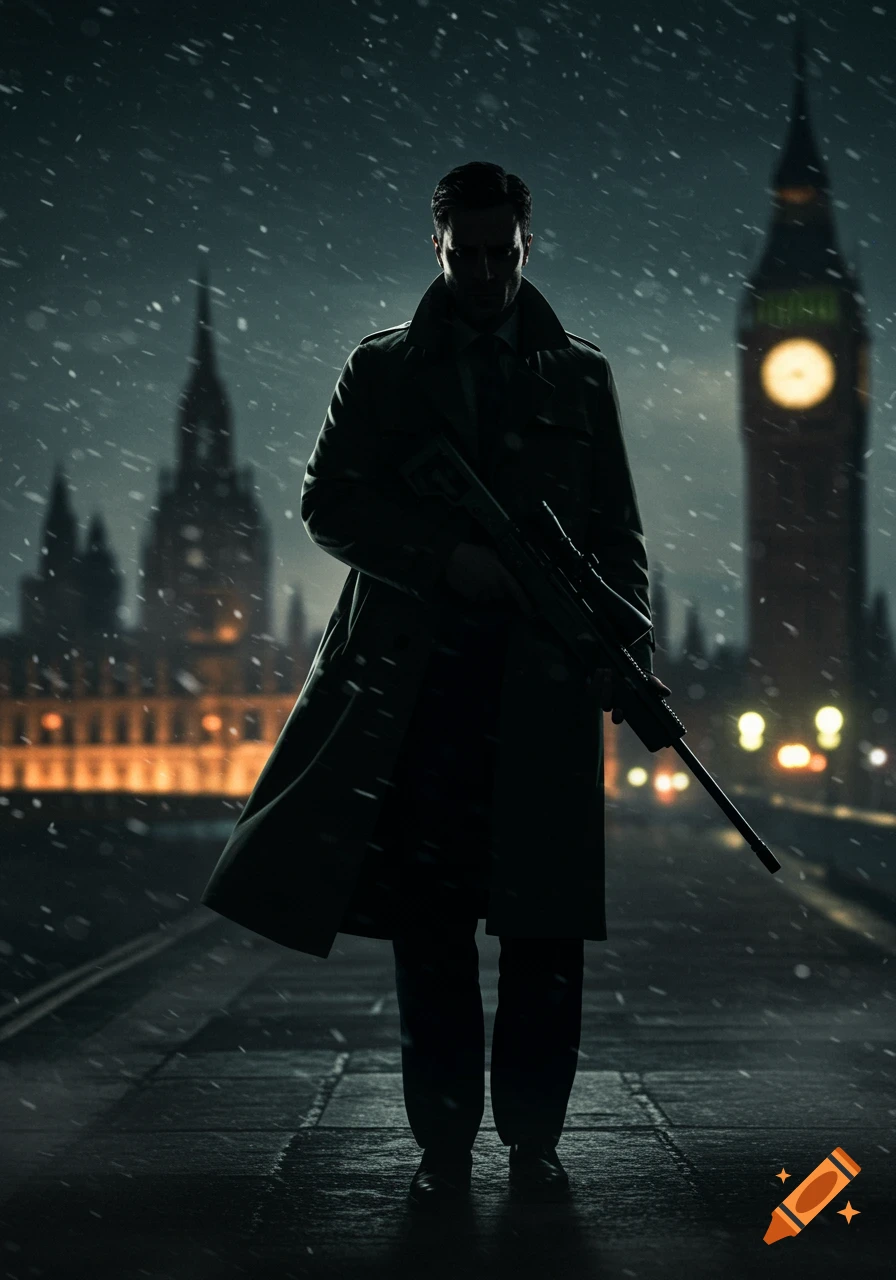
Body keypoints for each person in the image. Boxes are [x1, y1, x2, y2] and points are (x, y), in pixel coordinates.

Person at [199, 160, 670, 1210]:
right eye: (471, 256)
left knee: (546, 935)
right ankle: (445, 1142)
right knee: (433, 932)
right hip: (424, 696)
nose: (492, 275)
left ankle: (535, 1140)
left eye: (507, 255)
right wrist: (440, 557)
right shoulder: (384, 373)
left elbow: (615, 538)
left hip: (541, 695)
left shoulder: (578, 376)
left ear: (528, 244)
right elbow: (329, 506)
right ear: (438, 246)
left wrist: (618, 646)